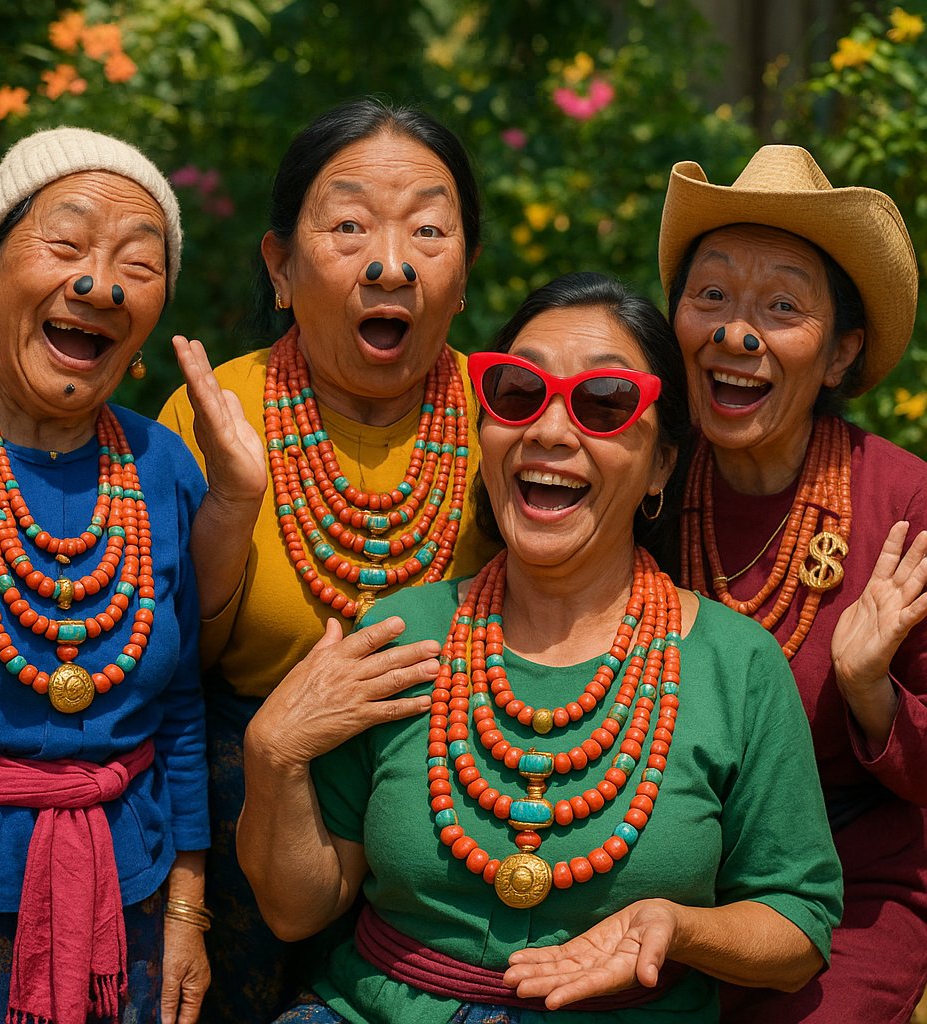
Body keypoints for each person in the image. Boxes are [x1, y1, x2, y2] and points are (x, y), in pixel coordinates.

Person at [237, 272, 843, 1024]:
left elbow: (799, 924)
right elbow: (296, 909)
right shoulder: (400, 635)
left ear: (662, 463)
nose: (550, 431)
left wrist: (679, 928)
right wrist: (272, 753)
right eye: (519, 393)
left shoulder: (736, 665)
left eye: (605, 403)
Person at [159, 98, 496, 1019]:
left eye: (428, 230)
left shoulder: (512, 418)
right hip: (238, 814)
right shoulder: (213, 414)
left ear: (465, 272)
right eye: (349, 226)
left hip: (448, 818)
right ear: (281, 266)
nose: (391, 263)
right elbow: (167, 672)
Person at [0, 127, 213, 1023]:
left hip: (128, 905)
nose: (100, 285)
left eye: (137, 265)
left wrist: (187, 911)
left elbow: (180, 706)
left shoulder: (164, 466)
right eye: (66, 244)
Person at [660, 144, 927, 1023]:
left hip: (852, 896)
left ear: (841, 353)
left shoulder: (904, 505)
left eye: (781, 307)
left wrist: (871, 692)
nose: (737, 334)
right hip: (664, 881)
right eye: (712, 295)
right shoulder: (647, 478)